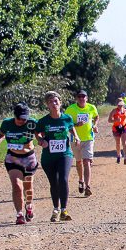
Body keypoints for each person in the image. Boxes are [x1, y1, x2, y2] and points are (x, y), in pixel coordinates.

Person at [35, 91, 80, 222]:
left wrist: (76, 137)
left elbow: (71, 127)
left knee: (63, 179)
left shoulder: (66, 118)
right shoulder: (44, 121)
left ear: (60, 103)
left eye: (56, 101)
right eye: (50, 102)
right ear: (47, 105)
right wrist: (41, 141)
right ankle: (56, 209)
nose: (54, 104)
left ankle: (64, 210)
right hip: (48, 157)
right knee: (54, 182)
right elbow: (37, 132)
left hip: (65, 154)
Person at [0, 102, 38, 224]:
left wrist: (42, 140)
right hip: (13, 159)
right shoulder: (7, 123)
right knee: (17, 186)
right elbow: (1, 134)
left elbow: (40, 134)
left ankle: (28, 206)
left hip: (28, 159)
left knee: (28, 187)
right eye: (20, 119)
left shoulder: (32, 123)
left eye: (24, 118)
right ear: (15, 116)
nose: (22, 121)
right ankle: (19, 215)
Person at [65, 90, 99, 196]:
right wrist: (75, 124)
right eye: (79, 96)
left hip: (88, 138)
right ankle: (81, 180)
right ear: (76, 98)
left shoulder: (91, 107)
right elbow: (66, 123)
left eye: (83, 96)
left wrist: (95, 125)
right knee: (79, 161)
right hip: (75, 139)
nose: (81, 98)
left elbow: (96, 116)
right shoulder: (71, 109)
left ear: (86, 98)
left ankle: (88, 186)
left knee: (87, 161)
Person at [108, 99, 126, 164]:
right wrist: (115, 120)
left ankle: (125, 157)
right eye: (119, 105)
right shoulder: (114, 111)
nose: (120, 106)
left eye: (121, 105)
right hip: (116, 128)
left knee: (124, 142)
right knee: (118, 144)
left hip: (124, 127)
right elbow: (109, 120)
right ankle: (119, 155)